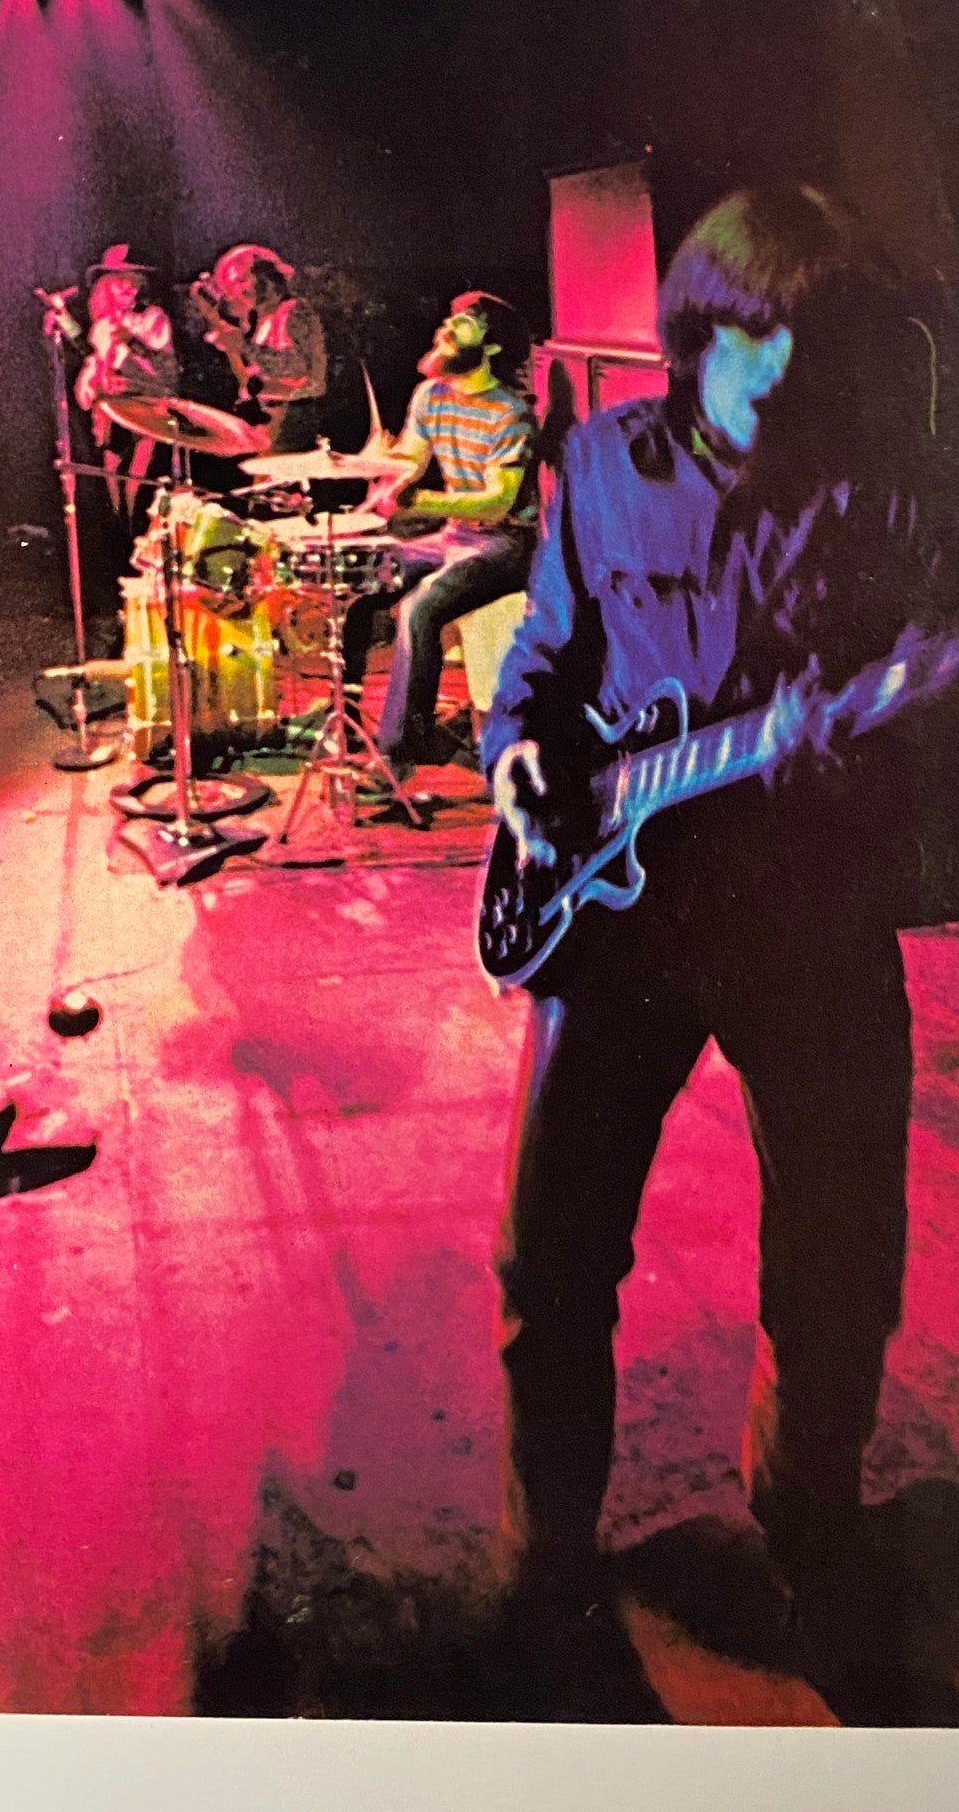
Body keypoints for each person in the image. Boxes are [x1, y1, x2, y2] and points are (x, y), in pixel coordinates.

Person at [481, 186, 952, 1690]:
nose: (793, 375)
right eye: (767, 342)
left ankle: (810, 1528)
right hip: (616, 917)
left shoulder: (882, 493)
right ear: (698, 335)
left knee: (838, 1263)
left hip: (807, 916)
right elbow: (545, 661)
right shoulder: (602, 468)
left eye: (819, 343)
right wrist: (518, 763)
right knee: (550, 1261)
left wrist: (859, 753)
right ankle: (551, 1555)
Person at [342, 292, 536, 770]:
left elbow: (497, 502)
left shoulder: (511, 413)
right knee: (358, 581)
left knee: (419, 609)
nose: (446, 326)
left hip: (506, 543)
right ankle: (345, 726)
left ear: (490, 347)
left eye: (464, 323)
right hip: (454, 536)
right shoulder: (430, 395)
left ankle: (403, 752)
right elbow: (409, 461)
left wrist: (419, 500)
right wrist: (380, 468)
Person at [73, 243, 178, 509]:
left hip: (146, 405)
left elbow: (166, 373)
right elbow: (94, 362)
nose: (131, 290)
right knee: (113, 482)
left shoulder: (152, 319)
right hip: (111, 410)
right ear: (107, 285)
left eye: (135, 283)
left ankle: (138, 524)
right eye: (123, 282)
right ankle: (121, 532)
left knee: (138, 484)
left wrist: (134, 342)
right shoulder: (102, 327)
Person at [193, 242, 328, 449]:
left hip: (294, 423)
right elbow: (251, 380)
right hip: (270, 423)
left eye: (242, 281)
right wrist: (224, 334)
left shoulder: (295, 311)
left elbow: (307, 375)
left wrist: (242, 345)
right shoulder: (262, 320)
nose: (237, 293)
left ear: (266, 278)